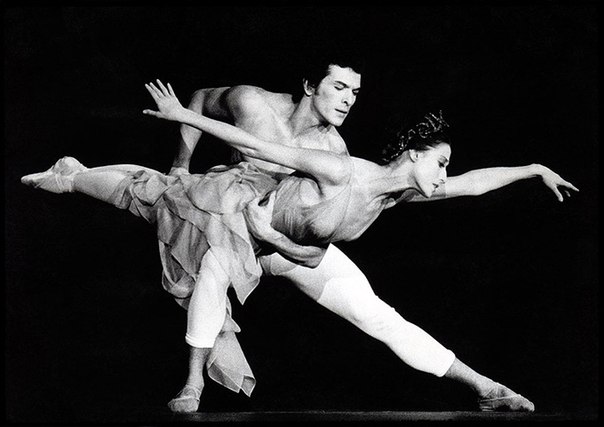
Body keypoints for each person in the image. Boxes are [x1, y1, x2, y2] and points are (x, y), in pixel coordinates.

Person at [21, 80, 578, 414]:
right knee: (158, 203)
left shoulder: (400, 194)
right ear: (413, 154)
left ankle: (484, 387)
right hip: (239, 221)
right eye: (440, 162)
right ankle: (190, 384)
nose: (445, 174)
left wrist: (532, 169)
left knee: (378, 315)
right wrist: (187, 118)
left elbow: (473, 184)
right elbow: (260, 146)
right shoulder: (342, 171)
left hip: (284, 249)